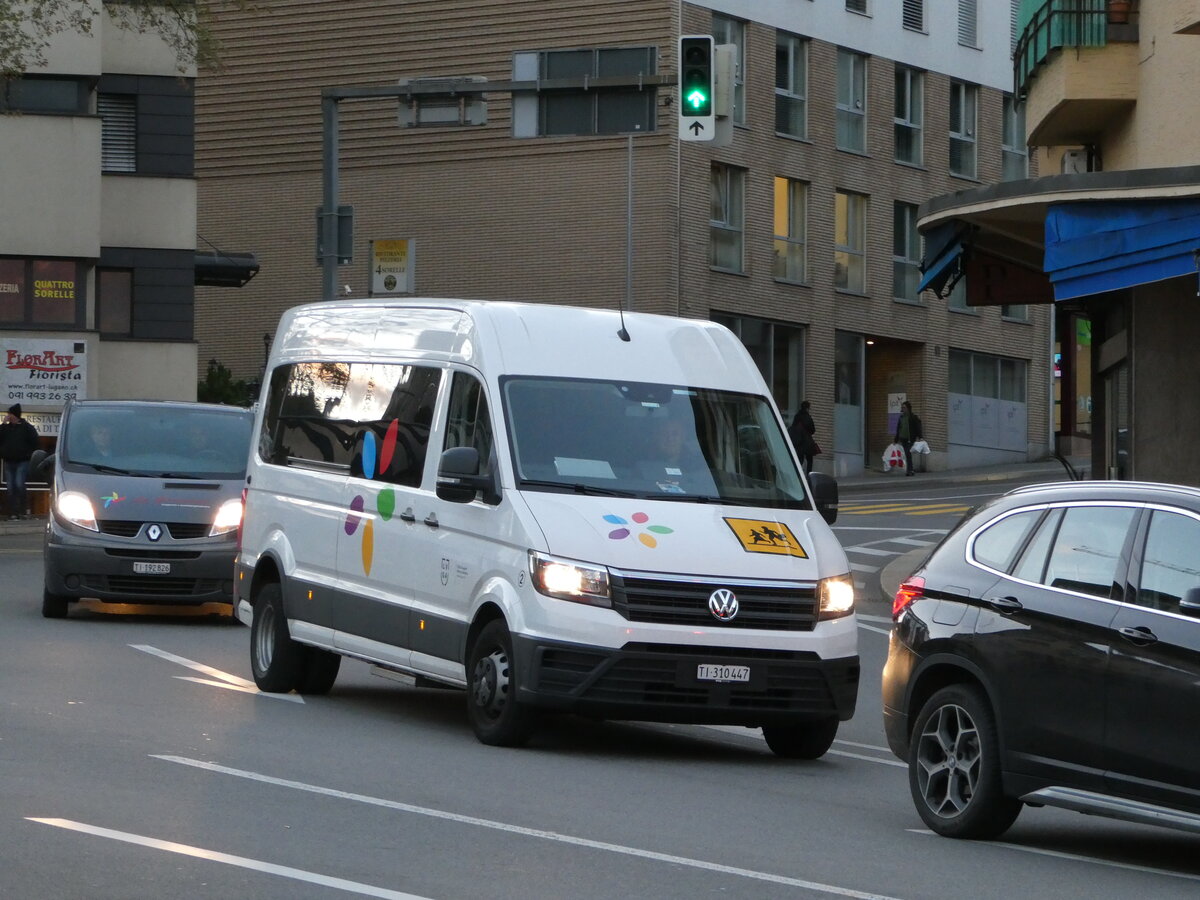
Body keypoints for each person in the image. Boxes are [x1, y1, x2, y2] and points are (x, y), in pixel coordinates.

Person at [1, 403, 40, 519]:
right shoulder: (6, 428)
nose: (8, 416)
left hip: (22, 461)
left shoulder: (27, 428)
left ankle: (22, 510)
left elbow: (35, 443)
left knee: (19, 484)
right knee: (10, 487)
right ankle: (13, 512)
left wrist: (29, 455)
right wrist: (3, 424)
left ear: (15, 415)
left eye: (10, 414)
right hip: (9, 461)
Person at [894, 400, 924, 476]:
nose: (903, 409)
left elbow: (918, 427)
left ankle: (910, 470)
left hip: (910, 438)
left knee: (908, 453)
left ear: (908, 408)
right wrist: (896, 440)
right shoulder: (901, 417)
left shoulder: (913, 417)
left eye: (904, 407)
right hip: (903, 438)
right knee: (907, 454)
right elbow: (898, 429)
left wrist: (920, 437)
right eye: (902, 407)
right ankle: (910, 470)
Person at [789, 400, 818, 474]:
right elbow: (813, 430)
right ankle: (809, 475)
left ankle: (796, 473)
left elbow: (793, 427)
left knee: (799, 459)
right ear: (807, 408)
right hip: (807, 442)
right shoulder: (808, 417)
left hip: (798, 441)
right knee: (809, 460)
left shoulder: (797, 416)